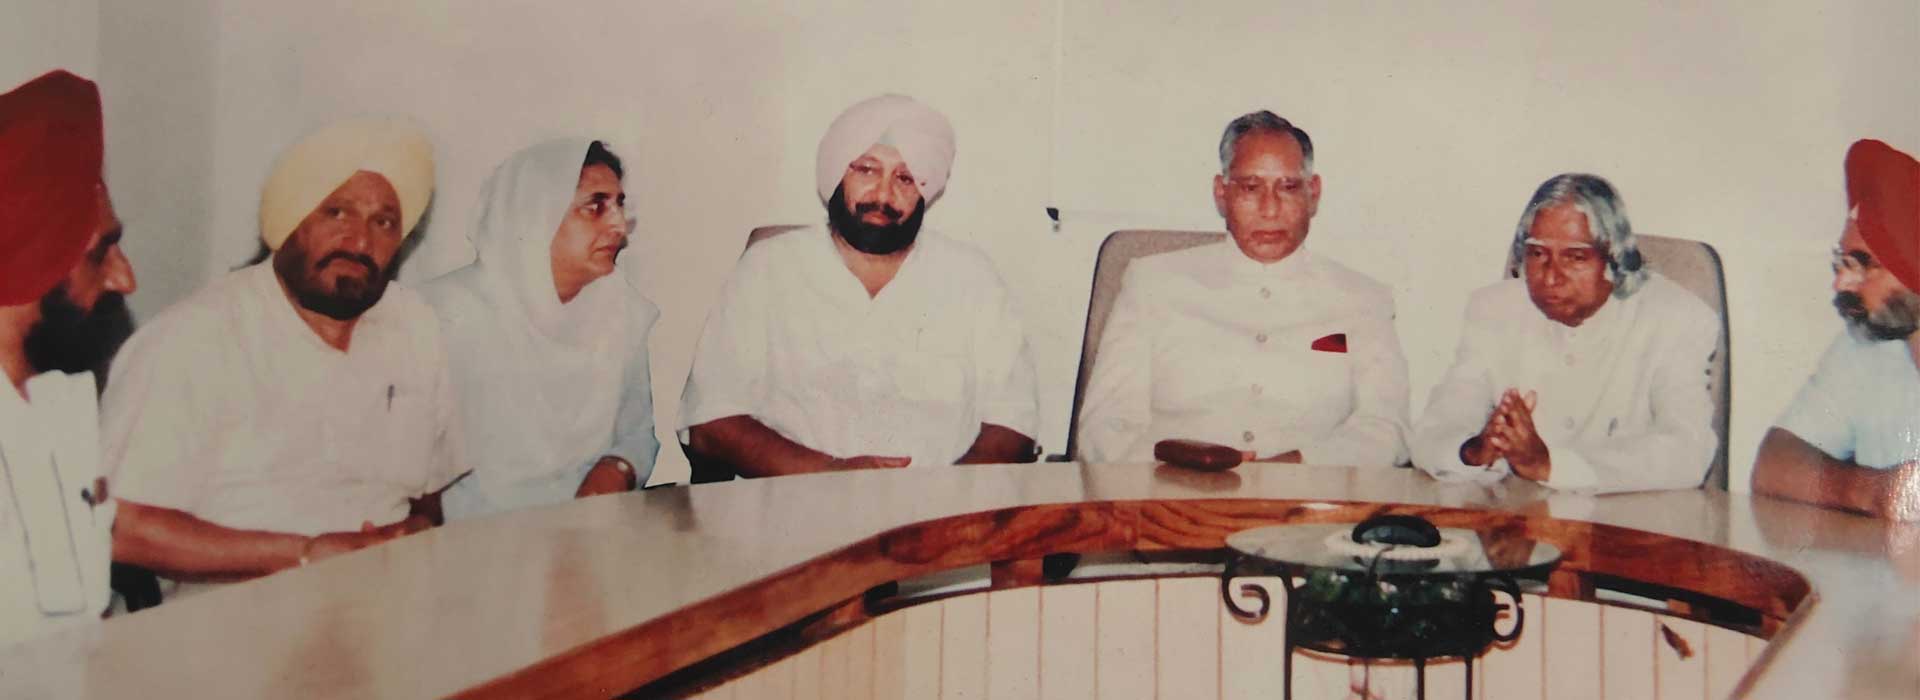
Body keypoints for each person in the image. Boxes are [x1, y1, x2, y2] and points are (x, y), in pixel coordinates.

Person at [103, 115, 466, 586]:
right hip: (232, 618)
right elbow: (123, 527)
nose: (359, 241)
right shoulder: (194, 337)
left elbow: (430, 497)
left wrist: (414, 532)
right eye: (336, 213)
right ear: (290, 218)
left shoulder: (415, 326)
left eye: (383, 222)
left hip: (386, 605)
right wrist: (305, 555)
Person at [680, 94, 1039, 477]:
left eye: (904, 178)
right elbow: (711, 421)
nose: (884, 196)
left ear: (925, 189)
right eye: (866, 170)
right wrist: (827, 474)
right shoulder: (769, 269)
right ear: (837, 174)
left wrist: (942, 500)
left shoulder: (972, 278)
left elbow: (1013, 423)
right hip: (794, 507)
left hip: (936, 514)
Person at [1076, 110, 1409, 467]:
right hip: (1170, 503)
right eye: (1251, 188)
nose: (1269, 209)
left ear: (1313, 195)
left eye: (1288, 187)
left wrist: (1295, 467)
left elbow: (1387, 429)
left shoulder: (1363, 300)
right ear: (1222, 194)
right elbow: (1105, 427)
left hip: (1309, 504)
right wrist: (1180, 475)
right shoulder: (1153, 283)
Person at [1411, 173, 1719, 492]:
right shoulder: (1493, 309)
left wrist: (1551, 466)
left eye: (1575, 257)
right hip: (1517, 522)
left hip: (1623, 523)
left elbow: (1687, 451)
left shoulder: (1678, 318)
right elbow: (1434, 426)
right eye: (1538, 254)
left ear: (1613, 259)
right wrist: (1474, 450)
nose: (1551, 277)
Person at [424, 139, 658, 519]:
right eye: (595, 206)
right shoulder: (445, 313)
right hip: (474, 538)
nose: (618, 225)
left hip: (589, 532)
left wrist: (616, 469)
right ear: (535, 215)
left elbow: (636, 434)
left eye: (619, 205)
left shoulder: (621, 311)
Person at [0, 70, 136, 647]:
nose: (126, 278)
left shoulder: (63, 394)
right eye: (101, 252)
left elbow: (86, 614)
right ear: (35, 254)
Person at [1753, 139, 1920, 520]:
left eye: (1861, 263)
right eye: (1841, 263)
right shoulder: (1864, 347)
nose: (1841, 283)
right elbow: (1773, 465)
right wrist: (1878, 492)